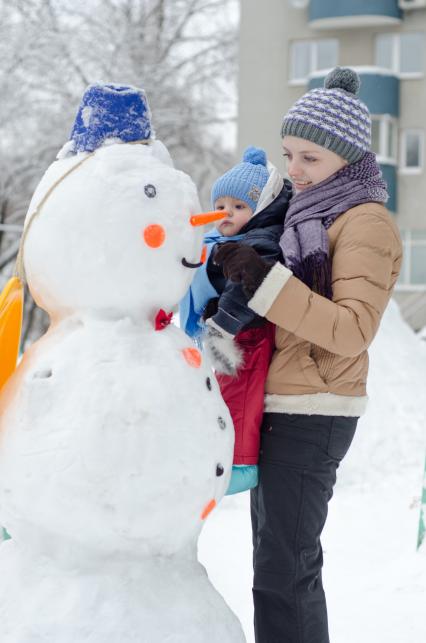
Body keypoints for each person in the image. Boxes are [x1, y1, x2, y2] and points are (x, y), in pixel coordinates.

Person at [214, 67, 403, 642]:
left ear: (347, 159)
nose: (293, 170)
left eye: (310, 159)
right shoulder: (303, 212)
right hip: (281, 402)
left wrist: (264, 284)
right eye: (288, 154)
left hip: (315, 411)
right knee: (273, 567)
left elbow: (351, 330)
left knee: (285, 571)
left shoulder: (365, 222)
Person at [180, 146, 291, 494]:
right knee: (223, 394)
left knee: (240, 395)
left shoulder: (260, 242)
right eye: (220, 206)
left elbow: (247, 286)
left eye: (239, 207)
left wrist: (223, 320)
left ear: (259, 209)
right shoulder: (222, 239)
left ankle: (241, 465)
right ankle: (225, 455)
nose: (226, 213)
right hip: (227, 332)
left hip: (247, 333)